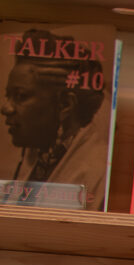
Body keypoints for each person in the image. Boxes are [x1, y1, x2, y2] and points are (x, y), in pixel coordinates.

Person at [1, 27, 110, 207]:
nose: (6, 108)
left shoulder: (98, 172)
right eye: (8, 96)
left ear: (66, 105)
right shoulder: (33, 155)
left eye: (20, 96)